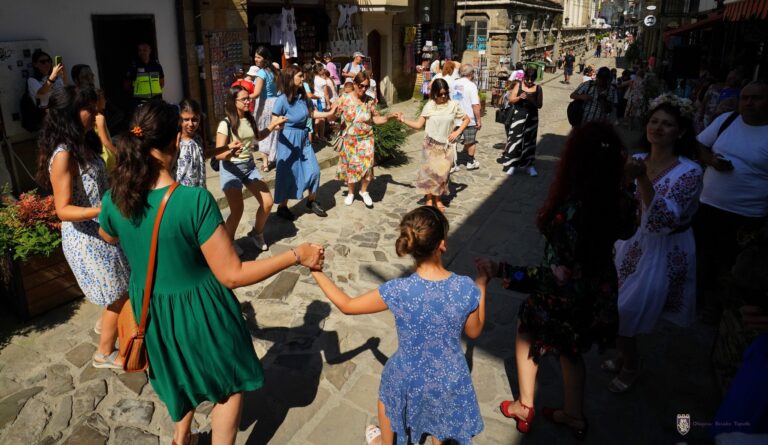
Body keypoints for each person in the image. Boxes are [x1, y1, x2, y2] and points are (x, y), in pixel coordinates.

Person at [98, 100, 324, 445]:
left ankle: (181, 436)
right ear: (176, 140)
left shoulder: (114, 199)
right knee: (229, 387)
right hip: (202, 311)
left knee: (180, 378)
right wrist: (296, 255)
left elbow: (108, 234)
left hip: (152, 313)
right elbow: (232, 274)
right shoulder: (194, 202)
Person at [488, 122, 638, 440]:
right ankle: (573, 415)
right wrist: (625, 182)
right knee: (571, 350)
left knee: (527, 329)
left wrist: (503, 271)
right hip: (596, 292)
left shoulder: (571, 210)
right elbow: (628, 229)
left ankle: (524, 405)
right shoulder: (619, 199)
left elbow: (552, 275)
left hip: (563, 296)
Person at [310, 206, 488, 445]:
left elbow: (347, 305)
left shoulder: (398, 291)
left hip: (407, 373)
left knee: (388, 398)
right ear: (442, 244)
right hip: (449, 377)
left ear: (410, 247)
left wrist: (315, 270)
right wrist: (482, 284)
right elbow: (474, 331)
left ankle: (385, 442)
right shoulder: (466, 288)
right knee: (442, 427)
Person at [607, 95, 703, 393]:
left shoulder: (689, 172)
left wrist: (644, 182)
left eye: (668, 124)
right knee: (613, 303)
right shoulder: (637, 160)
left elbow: (663, 221)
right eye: (654, 121)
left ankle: (632, 364)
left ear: (681, 132)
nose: (658, 128)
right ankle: (625, 353)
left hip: (663, 249)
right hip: (630, 242)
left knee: (626, 310)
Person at [35, 86, 130, 369]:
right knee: (118, 295)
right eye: (91, 109)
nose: (97, 114)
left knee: (116, 288)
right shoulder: (64, 154)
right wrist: (103, 209)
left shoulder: (82, 143)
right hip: (86, 238)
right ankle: (104, 354)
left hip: (102, 231)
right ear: (70, 114)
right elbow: (63, 209)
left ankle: (107, 327)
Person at [694, 80, 768, 323]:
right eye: (745, 97)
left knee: (732, 266)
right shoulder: (727, 121)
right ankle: (700, 302)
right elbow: (699, 145)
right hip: (709, 206)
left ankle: (723, 312)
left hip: (747, 216)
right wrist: (711, 160)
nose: (749, 102)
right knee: (703, 257)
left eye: (756, 98)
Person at [215, 85, 285, 251]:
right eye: (244, 99)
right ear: (234, 101)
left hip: (249, 167)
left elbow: (258, 136)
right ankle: (228, 243)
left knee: (267, 203)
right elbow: (218, 154)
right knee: (237, 210)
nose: (248, 101)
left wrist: (273, 124)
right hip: (231, 168)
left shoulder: (249, 118)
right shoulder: (225, 123)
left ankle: (256, 233)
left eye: (249, 98)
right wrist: (231, 153)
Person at [272, 65, 336, 220]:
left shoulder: (303, 97)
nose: (303, 78)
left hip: (303, 138)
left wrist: (329, 113)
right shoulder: (281, 100)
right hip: (288, 140)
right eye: (300, 76)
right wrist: (279, 124)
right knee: (289, 174)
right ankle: (282, 207)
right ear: (290, 78)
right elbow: (274, 123)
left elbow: (312, 113)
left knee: (314, 171)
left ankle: (311, 201)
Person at [399, 79, 470, 212]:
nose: (443, 96)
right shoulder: (429, 106)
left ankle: (438, 199)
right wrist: (404, 121)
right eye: (440, 94)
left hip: (446, 146)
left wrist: (457, 131)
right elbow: (418, 125)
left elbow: (467, 119)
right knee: (430, 174)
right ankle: (429, 198)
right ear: (435, 93)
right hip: (430, 145)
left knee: (442, 175)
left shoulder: (453, 105)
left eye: (445, 93)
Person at [333, 71, 400, 208]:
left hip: (366, 139)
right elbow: (333, 116)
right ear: (355, 84)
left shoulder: (369, 100)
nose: (363, 89)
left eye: (366, 86)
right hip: (350, 140)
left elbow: (375, 118)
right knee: (351, 167)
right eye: (361, 86)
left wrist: (389, 117)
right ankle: (351, 193)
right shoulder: (344, 99)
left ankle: (363, 191)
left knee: (367, 167)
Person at [499, 67, 543, 177]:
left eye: (531, 80)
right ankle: (512, 165)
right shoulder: (518, 85)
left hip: (532, 117)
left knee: (529, 141)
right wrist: (520, 97)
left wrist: (530, 98)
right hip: (519, 115)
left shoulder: (538, 88)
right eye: (527, 79)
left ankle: (529, 166)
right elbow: (511, 100)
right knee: (514, 140)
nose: (529, 82)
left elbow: (539, 105)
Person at [251, 46, 281, 172]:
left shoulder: (261, 73)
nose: (256, 59)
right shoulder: (274, 71)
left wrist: (242, 97)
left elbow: (256, 93)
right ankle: (274, 157)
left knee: (262, 132)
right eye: (255, 56)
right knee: (274, 131)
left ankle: (265, 162)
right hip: (275, 102)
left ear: (265, 58)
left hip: (264, 104)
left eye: (259, 57)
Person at [451, 64, 482, 170]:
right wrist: (479, 120)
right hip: (469, 119)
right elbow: (475, 105)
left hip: (456, 118)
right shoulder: (471, 85)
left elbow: (457, 99)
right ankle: (470, 161)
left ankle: (453, 162)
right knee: (471, 141)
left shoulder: (455, 83)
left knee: (453, 140)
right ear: (470, 73)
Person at [175, 99, 207, 188]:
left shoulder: (198, 138)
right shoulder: (176, 141)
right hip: (182, 192)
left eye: (194, 119)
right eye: (186, 119)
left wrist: (227, 148)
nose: (191, 124)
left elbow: (203, 155)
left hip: (199, 190)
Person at [124, 42, 164, 106]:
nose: (142, 52)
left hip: (156, 100)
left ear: (150, 51)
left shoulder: (156, 65)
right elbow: (126, 85)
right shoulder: (134, 66)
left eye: (145, 50)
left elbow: (162, 83)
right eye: (140, 50)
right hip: (140, 102)